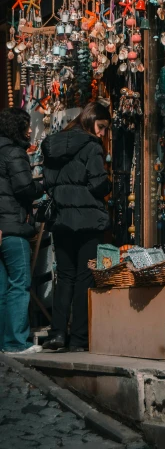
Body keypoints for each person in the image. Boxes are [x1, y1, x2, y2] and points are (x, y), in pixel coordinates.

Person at [42, 101, 111, 352]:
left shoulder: (54, 145)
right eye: (101, 127)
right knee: (84, 278)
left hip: (61, 220)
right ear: (90, 119)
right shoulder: (91, 146)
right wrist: (108, 186)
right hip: (87, 221)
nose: (102, 133)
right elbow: (97, 183)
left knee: (65, 277)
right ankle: (79, 339)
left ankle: (58, 333)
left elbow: (48, 181)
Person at [0, 107, 43, 354]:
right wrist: (43, 184)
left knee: (3, 287)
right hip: (14, 229)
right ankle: (16, 341)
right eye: (26, 125)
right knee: (19, 284)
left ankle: (5, 341)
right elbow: (24, 188)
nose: (29, 130)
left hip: (2, 229)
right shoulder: (14, 152)